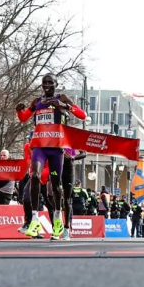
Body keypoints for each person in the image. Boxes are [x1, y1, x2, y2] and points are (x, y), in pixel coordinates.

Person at [15, 74, 87, 239]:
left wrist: (64, 106)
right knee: (35, 176)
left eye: (50, 82)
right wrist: (19, 110)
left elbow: (82, 115)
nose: (46, 85)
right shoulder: (36, 101)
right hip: (40, 146)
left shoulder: (62, 98)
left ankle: (57, 218)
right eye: (44, 83)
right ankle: (34, 220)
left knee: (56, 186)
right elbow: (24, 118)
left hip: (56, 148)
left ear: (56, 84)